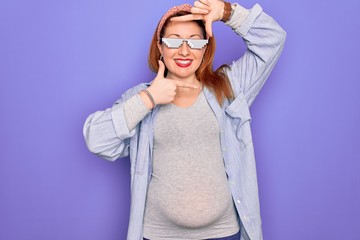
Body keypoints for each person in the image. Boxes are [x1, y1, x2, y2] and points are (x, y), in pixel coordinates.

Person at [83, 0, 286, 239]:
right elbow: (97, 140)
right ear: (160, 47)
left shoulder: (229, 88)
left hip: (224, 233)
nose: (184, 50)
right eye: (174, 39)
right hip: (158, 235)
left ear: (205, 47)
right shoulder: (140, 98)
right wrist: (148, 99)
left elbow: (273, 40)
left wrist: (227, 12)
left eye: (195, 40)